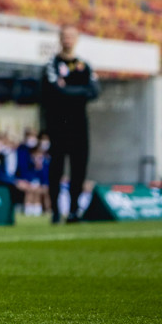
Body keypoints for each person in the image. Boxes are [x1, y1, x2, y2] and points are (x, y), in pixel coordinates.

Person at [40, 24, 100, 224]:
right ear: (60, 38)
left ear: (77, 38)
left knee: (79, 169)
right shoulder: (52, 64)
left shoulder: (85, 65)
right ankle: (56, 211)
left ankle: (74, 211)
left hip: (80, 125)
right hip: (58, 125)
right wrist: (80, 90)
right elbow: (54, 91)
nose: (68, 39)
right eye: (65, 36)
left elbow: (95, 92)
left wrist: (69, 89)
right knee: (56, 169)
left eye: (71, 36)